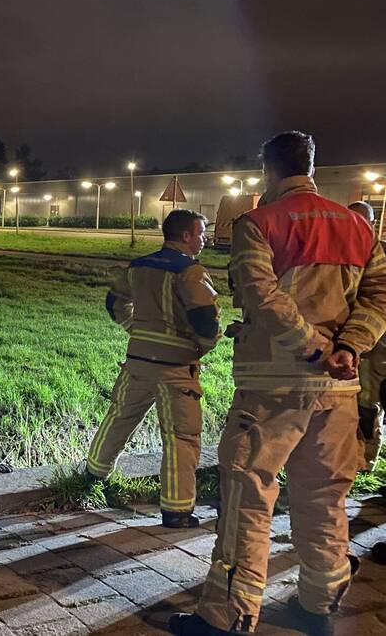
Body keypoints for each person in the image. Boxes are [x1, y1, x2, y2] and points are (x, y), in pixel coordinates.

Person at [170, 131, 386, 636]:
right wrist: (347, 348)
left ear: (268, 169)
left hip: (275, 388)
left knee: (249, 492)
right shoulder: (359, 227)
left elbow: (261, 297)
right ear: (312, 166)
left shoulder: (258, 224)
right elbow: (379, 299)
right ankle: (319, 606)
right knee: (325, 498)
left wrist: (313, 347)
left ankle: (228, 616)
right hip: (340, 389)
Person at [85, 209, 220, 529]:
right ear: (186, 236)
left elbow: (114, 303)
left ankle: (93, 475)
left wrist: (136, 329)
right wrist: (201, 346)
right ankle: (176, 510)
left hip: (138, 363)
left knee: (119, 417)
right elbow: (207, 321)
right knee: (181, 437)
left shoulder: (138, 266)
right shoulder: (191, 272)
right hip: (176, 369)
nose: (203, 240)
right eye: (200, 234)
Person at [350, 201, 386, 473]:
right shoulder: (344, 253)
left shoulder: (380, 254)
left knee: (370, 403)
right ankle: (355, 455)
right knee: (358, 401)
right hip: (354, 343)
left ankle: (365, 462)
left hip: (379, 345)